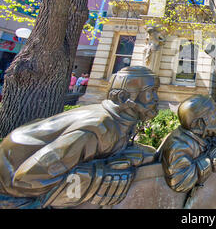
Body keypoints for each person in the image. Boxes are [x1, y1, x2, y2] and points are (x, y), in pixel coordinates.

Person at [0, 66, 160, 208]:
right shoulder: (97, 129)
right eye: (150, 92)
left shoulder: (120, 121)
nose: (156, 98)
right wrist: (103, 174)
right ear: (123, 98)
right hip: (13, 192)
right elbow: (28, 179)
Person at [159, 95, 216, 196]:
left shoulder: (203, 135)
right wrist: (210, 161)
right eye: (213, 113)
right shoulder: (178, 145)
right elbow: (179, 182)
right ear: (200, 122)